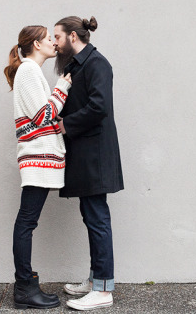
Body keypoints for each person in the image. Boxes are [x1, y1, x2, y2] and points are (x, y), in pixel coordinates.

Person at [53, 16, 124, 311]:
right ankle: (97, 279)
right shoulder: (77, 65)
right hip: (86, 156)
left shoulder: (97, 64)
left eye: (57, 37)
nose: (53, 43)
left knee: (97, 219)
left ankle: (104, 290)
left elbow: (99, 106)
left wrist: (65, 125)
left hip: (95, 157)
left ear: (72, 36)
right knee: (91, 217)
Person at [3, 25, 71, 309]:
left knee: (27, 222)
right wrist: (63, 88)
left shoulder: (32, 71)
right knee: (26, 222)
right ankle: (24, 288)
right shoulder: (29, 71)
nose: (53, 43)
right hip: (37, 157)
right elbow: (43, 116)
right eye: (48, 39)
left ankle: (27, 284)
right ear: (35, 44)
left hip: (39, 157)